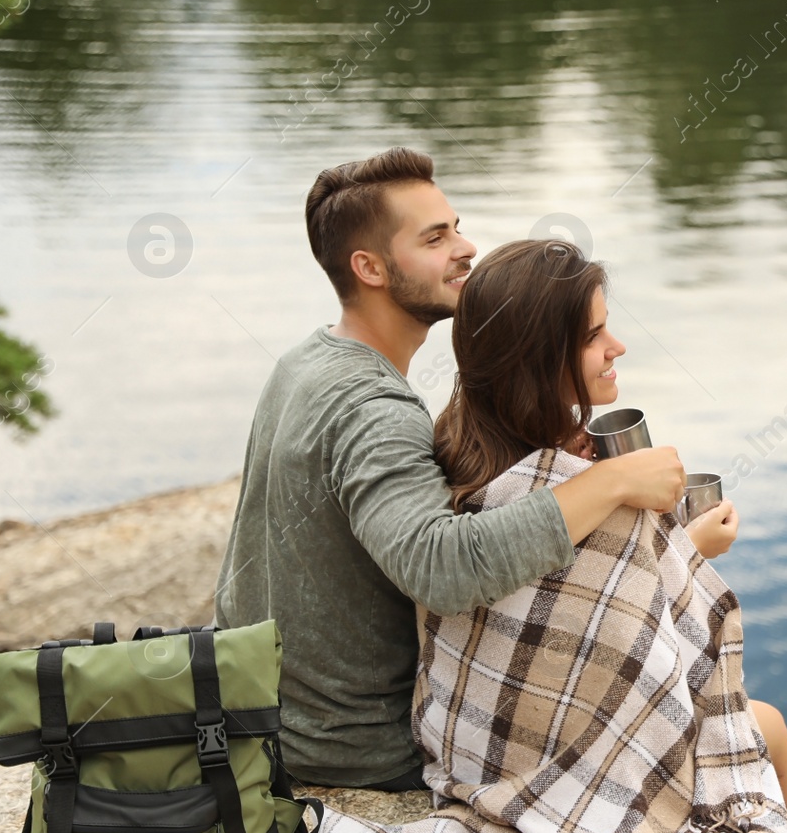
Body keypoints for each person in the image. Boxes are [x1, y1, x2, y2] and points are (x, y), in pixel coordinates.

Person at [214, 147, 687, 790]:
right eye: (436, 238)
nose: (465, 248)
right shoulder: (372, 409)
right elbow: (445, 569)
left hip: (267, 717)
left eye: (457, 226)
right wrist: (614, 481)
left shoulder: (305, 362)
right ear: (370, 268)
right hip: (360, 750)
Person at [431, 237, 787, 825]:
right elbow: (627, 636)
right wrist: (687, 550)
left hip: (476, 743)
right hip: (562, 760)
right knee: (770, 729)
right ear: (537, 356)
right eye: (592, 338)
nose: (618, 347)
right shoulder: (559, 491)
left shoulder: (461, 442)